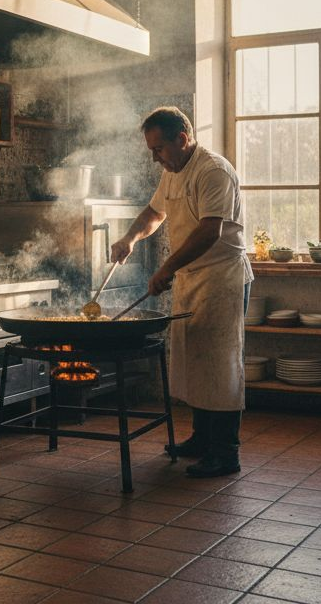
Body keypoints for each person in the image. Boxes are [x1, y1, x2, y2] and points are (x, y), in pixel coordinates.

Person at [110, 106, 252, 477]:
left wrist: (167, 267)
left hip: (222, 277)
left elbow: (210, 231)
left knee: (220, 366)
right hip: (192, 277)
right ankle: (202, 439)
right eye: (151, 150)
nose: (155, 157)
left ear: (182, 139)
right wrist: (129, 239)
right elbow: (154, 214)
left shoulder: (213, 171)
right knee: (195, 359)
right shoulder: (173, 171)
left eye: (158, 149)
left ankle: (226, 453)